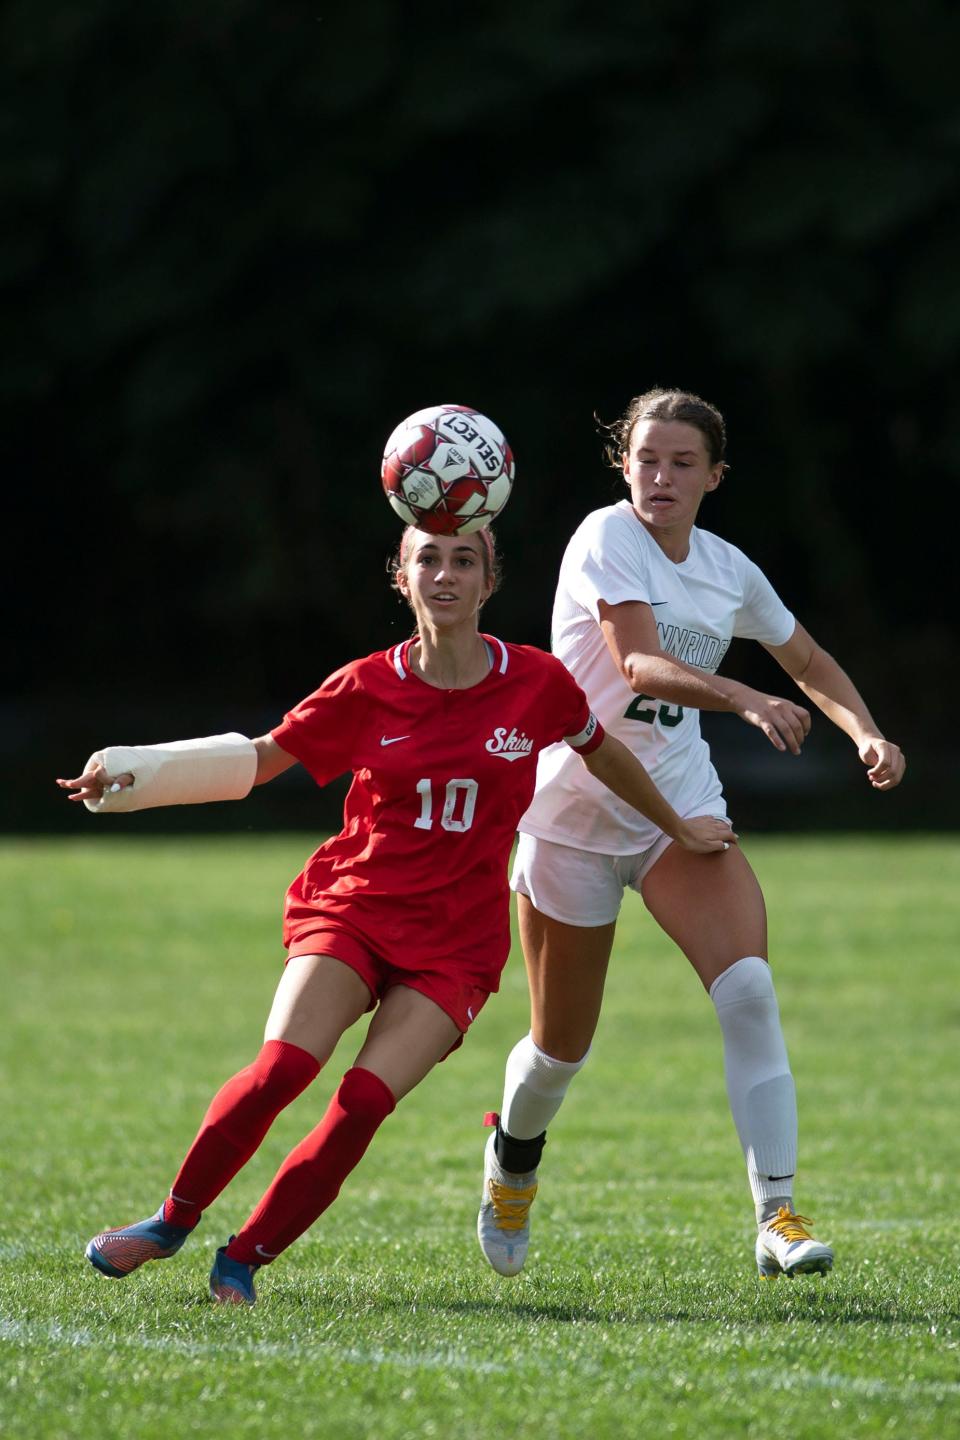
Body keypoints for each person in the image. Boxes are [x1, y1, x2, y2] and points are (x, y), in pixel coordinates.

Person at [59, 517, 734, 1306]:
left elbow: (603, 749)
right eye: (428, 561)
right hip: (354, 908)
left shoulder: (539, 682)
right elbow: (259, 760)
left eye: (463, 561)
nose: (445, 576)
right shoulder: (363, 686)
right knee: (282, 1068)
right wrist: (136, 774)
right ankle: (170, 1222)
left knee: (363, 1103)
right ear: (401, 578)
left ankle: (241, 1260)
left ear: (490, 581)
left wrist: (677, 823)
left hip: (455, 946)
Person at [476, 388, 906, 1282]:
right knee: (560, 1048)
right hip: (574, 817)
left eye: (681, 463)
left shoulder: (726, 568)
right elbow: (636, 661)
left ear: (714, 475)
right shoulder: (605, 537)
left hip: (682, 816)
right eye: (645, 459)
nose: (660, 477)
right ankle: (513, 1164)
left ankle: (777, 1215)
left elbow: (809, 661)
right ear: (622, 466)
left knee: (748, 992)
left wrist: (863, 729)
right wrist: (745, 698)